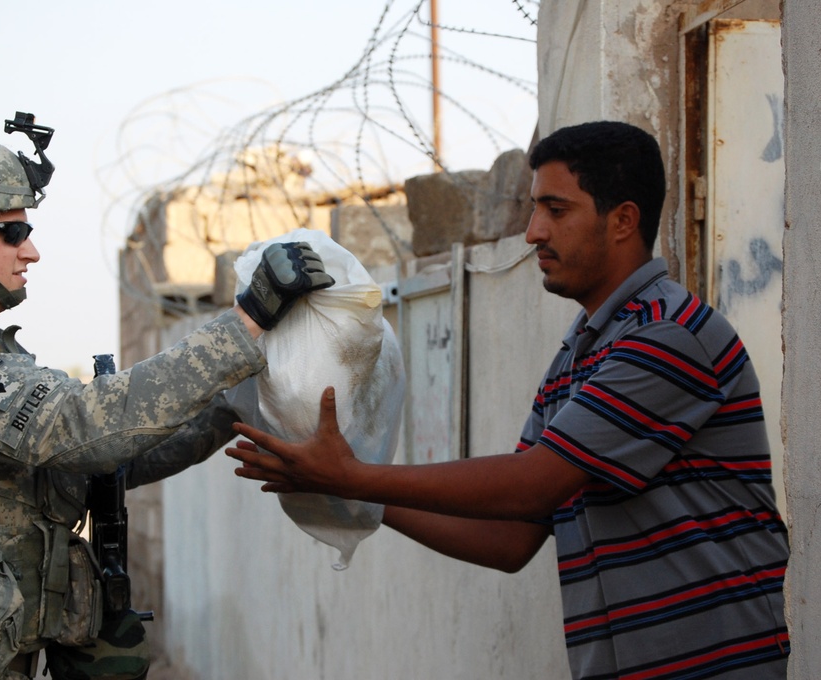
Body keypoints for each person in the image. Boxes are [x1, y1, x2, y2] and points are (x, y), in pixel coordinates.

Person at [226, 121, 790, 679]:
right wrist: (350, 490)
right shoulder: (580, 356)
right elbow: (511, 537)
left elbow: (536, 482)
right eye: (533, 208)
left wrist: (354, 478)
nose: (533, 232)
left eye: (556, 209)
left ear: (623, 220)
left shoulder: (666, 335)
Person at [0, 112, 334, 680]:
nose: (31, 251)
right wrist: (247, 322)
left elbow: (98, 461)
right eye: (13, 232)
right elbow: (83, 427)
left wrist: (223, 406)